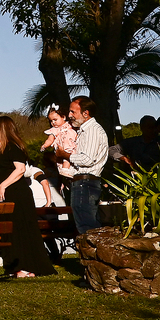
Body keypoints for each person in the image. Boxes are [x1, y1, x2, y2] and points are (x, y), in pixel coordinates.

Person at [0, 117, 55, 279]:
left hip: (18, 195)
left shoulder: (14, 148)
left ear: (4, 129)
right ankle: (15, 265)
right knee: (12, 231)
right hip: (10, 195)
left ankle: (27, 266)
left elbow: (20, 169)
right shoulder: (5, 149)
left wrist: (3, 185)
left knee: (22, 230)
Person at [55, 97, 108, 237]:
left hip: (86, 183)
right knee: (86, 224)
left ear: (86, 113)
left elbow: (87, 159)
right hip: (83, 182)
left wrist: (65, 155)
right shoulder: (83, 131)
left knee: (87, 227)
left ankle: (94, 256)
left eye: (73, 112)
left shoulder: (92, 130)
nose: (70, 115)